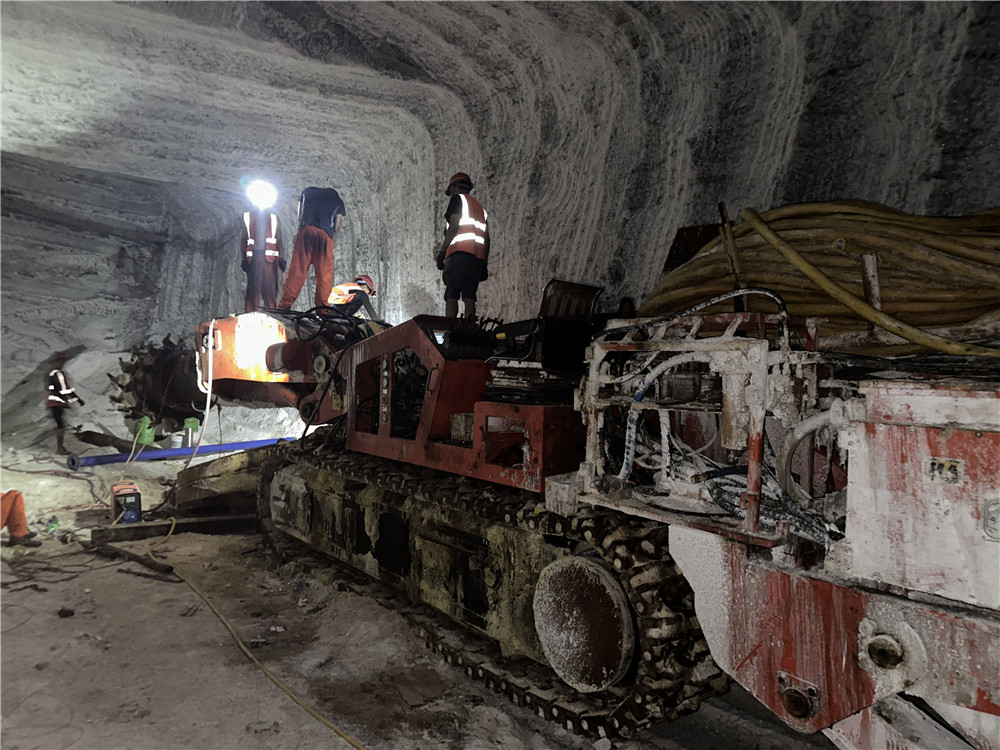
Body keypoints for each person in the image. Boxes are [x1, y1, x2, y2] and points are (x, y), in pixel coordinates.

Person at [278, 187, 346, 310]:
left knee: (297, 271)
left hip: (306, 232)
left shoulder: (307, 191)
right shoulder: (338, 201)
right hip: (325, 237)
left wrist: (299, 232)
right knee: (324, 275)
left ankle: (285, 305)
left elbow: (300, 216)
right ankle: (322, 309)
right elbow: (336, 227)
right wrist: (331, 244)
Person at [436, 172, 489, 319]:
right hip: (477, 258)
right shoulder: (480, 208)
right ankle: (469, 326)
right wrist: (484, 263)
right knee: (469, 296)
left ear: (454, 188)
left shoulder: (457, 200)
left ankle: (450, 326)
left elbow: (454, 226)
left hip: (459, 254)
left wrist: (442, 252)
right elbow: (487, 238)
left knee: (451, 294)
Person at [239, 180, 286, 313]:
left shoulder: (274, 218)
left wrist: (281, 258)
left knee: (270, 292)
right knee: (253, 292)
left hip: (270, 261)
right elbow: (244, 240)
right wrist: (244, 259)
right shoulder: (248, 217)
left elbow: (279, 240)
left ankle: (270, 316)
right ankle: (250, 317)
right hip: (254, 259)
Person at [46, 352, 84, 455]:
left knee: (60, 424)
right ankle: (60, 448)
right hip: (57, 403)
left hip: (53, 403)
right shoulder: (59, 374)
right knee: (61, 426)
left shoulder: (52, 374)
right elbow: (66, 390)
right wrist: (78, 400)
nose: (63, 363)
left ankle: (60, 446)